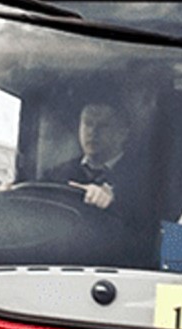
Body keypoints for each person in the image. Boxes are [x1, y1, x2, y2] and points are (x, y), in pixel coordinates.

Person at [64, 99, 165, 262]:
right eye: (87, 124)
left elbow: (154, 241)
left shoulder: (150, 181)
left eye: (103, 126)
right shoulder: (57, 174)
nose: (92, 132)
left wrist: (114, 204)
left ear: (123, 133)